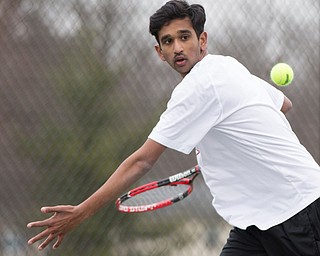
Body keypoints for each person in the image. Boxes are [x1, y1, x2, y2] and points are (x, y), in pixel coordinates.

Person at [28, 1, 320, 255]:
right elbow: (284, 103)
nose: (178, 47)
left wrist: (82, 212)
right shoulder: (228, 66)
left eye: (184, 37)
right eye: (168, 41)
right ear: (159, 51)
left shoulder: (197, 88)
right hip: (255, 224)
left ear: (202, 40)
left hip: (298, 210)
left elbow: (142, 160)